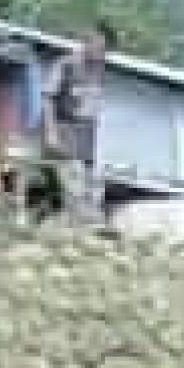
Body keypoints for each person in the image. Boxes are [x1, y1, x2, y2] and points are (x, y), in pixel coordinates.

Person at [45, 24, 110, 222]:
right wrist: (51, 133)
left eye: (103, 48)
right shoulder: (66, 64)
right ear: (87, 42)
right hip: (65, 130)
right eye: (95, 45)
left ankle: (85, 223)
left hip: (86, 137)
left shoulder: (100, 70)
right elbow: (48, 98)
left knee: (93, 188)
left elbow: (94, 109)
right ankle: (74, 223)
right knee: (73, 186)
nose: (98, 51)